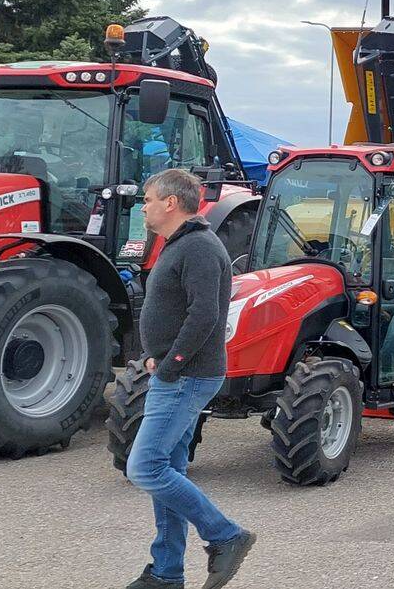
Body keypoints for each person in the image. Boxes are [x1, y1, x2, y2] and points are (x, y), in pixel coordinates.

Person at [125, 169, 255, 589]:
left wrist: (171, 363)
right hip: (176, 372)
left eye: (148, 198)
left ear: (170, 203)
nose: (143, 205)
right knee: (169, 469)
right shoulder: (180, 245)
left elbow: (205, 314)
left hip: (186, 377)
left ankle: (226, 535)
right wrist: (155, 356)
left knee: (145, 467)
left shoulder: (198, 246)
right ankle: (166, 573)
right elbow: (177, 309)